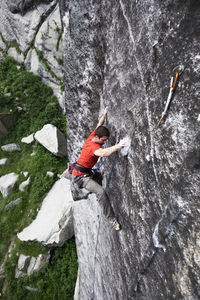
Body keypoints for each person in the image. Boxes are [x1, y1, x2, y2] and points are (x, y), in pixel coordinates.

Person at [71, 109, 127, 231]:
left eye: (106, 140)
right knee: (101, 192)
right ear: (97, 137)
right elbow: (102, 152)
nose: (105, 142)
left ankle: (101, 200)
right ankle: (111, 218)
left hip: (86, 172)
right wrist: (119, 146)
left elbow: (99, 124)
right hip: (80, 177)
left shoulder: (93, 136)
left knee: (100, 177)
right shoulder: (93, 147)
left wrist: (105, 114)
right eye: (104, 140)